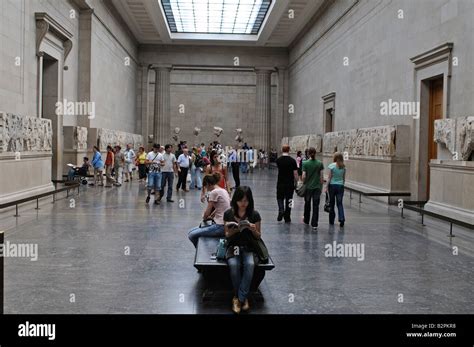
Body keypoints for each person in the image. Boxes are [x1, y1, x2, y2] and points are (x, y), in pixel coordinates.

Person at [224, 186, 262, 314]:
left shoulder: (254, 214)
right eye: (240, 200)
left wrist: (253, 229)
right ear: (235, 200)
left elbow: (258, 236)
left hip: (248, 247)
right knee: (234, 265)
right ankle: (242, 298)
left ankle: (238, 298)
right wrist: (235, 229)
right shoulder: (228, 213)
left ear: (250, 201)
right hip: (233, 247)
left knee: (250, 264)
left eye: (246, 201)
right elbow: (227, 235)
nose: (243, 204)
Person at [188, 172, 230, 247]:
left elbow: (206, 213)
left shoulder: (214, 192)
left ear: (208, 184)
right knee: (191, 231)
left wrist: (205, 217)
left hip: (220, 226)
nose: (207, 189)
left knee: (191, 235)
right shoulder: (223, 190)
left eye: (206, 186)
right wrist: (212, 216)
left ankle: (201, 250)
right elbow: (220, 207)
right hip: (224, 224)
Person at [302, 147, 324, 231]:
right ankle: (314, 224)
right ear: (315, 153)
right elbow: (321, 177)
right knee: (316, 206)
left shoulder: (305, 163)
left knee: (307, 204)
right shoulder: (320, 163)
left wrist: (304, 182)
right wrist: (320, 186)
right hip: (317, 187)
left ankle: (306, 220)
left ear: (308, 154)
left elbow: (303, 176)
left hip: (308, 187)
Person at [276, 145, 298, 223]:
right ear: (289, 150)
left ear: (282, 150)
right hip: (290, 184)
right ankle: (287, 216)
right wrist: (296, 182)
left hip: (280, 182)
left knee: (279, 197)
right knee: (290, 200)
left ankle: (281, 209)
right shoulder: (292, 161)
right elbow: (295, 173)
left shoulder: (278, 160)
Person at [326, 152, 346, 227]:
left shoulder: (332, 166)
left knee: (332, 203)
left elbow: (329, 177)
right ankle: (342, 219)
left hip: (332, 186)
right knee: (340, 203)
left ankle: (331, 220)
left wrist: (326, 186)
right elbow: (344, 179)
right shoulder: (343, 167)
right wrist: (342, 184)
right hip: (340, 186)